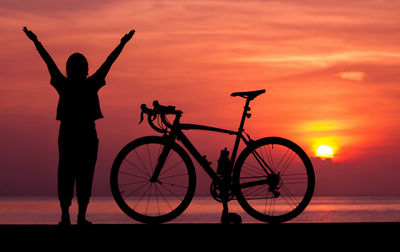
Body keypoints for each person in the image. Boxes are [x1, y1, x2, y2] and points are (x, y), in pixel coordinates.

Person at [23, 26, 135, 225]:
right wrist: (122, 44)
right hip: (85, 135)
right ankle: (78, 217)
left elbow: (48, 61)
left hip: (69, 134)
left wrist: (36, 42)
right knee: (84, 174)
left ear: (68, 68)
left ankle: (67, 217)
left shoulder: (64, 84)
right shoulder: (88, 84)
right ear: (85, 69)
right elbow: (108, 62)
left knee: (67, 173)